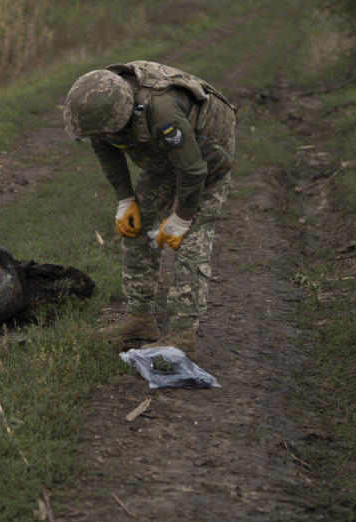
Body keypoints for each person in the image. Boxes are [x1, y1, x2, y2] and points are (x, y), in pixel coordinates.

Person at [63, 61, 236, 358]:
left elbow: (193, 170)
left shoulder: (162, 111)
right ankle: (140, 318)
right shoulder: (101, 105)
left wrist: (181, 218)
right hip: (161, 154)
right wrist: (125, 200)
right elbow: (104, 147)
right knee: (136, 226)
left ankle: (182, 334)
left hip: (205, 153)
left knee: (191, 238)